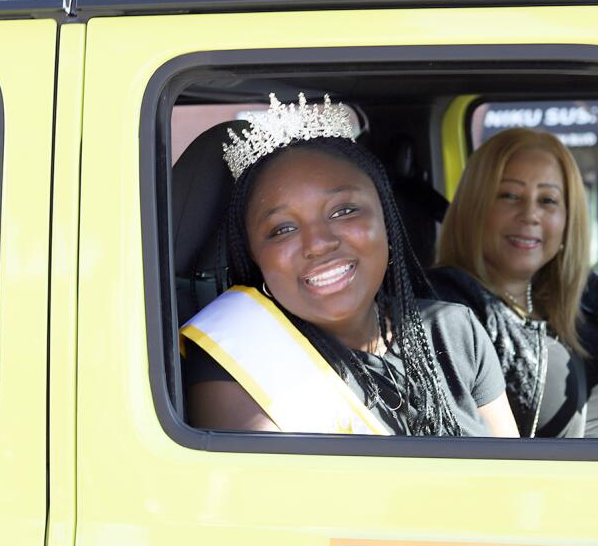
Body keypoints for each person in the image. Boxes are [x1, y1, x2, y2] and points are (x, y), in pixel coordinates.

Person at [183, 94, 518, 437]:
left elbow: (514, 480)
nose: (318, 243)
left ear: (386, 220)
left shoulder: (454, 331)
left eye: (343, 211)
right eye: (282, 229)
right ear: (255, 255)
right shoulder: (237, 362)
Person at [430, 127, 598, 437]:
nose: (530, 215)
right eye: (509, 195)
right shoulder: (446, 305)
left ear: (567, 220)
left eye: (548, 200)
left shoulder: (584, 293)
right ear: (474, 208)